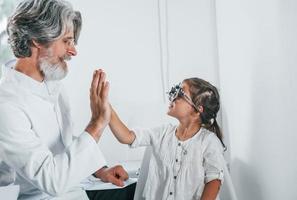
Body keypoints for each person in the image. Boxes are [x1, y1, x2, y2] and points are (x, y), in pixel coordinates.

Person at [0, 0, 135, 199]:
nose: (73, 51)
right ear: (37, 39)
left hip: (75, 189)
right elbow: (51, 180)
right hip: (43, 196)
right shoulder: (7, 106)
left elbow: (60, 144)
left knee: (141, 188)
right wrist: (96, 125)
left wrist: (99, 170)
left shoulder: (52, 84)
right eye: (66, 41)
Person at [109, 77, 227, 200]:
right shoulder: (162, 133)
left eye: (181, 94)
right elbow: (127, 137)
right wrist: (107, 110)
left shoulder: (209, 142)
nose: (174, 96)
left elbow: (214, 181)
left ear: (198, 109)